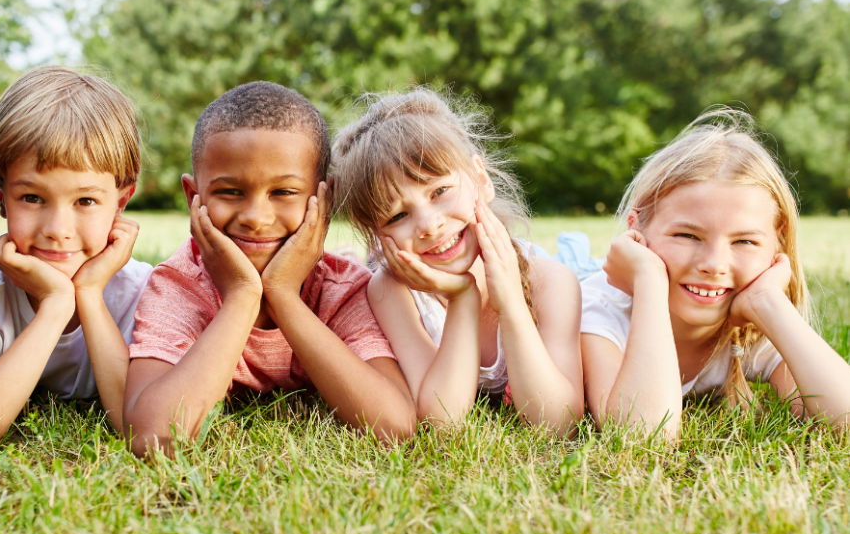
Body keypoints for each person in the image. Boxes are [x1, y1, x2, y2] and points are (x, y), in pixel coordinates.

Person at [123, 81, 416, 456]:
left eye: (283, 193)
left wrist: (282, 296)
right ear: (193, 198)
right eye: (230, 192)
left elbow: (395, 426)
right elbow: (153, 437)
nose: (256, 218)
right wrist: (243, 296)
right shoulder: (179, 284)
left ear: (324, 199)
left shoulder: (342, 288)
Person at [581, 110, 850, 439]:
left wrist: (769, 304)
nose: (714, 264)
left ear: (776, 242)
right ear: (637, 228)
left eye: (745, 241)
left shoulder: (752, 323)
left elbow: (845, 420)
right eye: (687, 236)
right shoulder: (601, 309)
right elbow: (643, 435)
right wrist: (649, 280)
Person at [333, 89, 584, 434]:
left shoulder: (552, 280)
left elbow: (558, 423)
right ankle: (355, 255)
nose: (430, 225)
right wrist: (461, 298)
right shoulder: (390, 291)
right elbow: (442, 422)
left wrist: (511, 303)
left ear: (481, 179)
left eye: (439, 191)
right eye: (397, 215)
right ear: (378, 236)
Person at [0, 67, 150, 442]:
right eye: (32, 198)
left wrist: (88, 294)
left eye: (85, 200)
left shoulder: (141, 291)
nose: (58, 228)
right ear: (1, 198)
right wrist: (56, 305)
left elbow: (136, 425)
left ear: (121, 202)